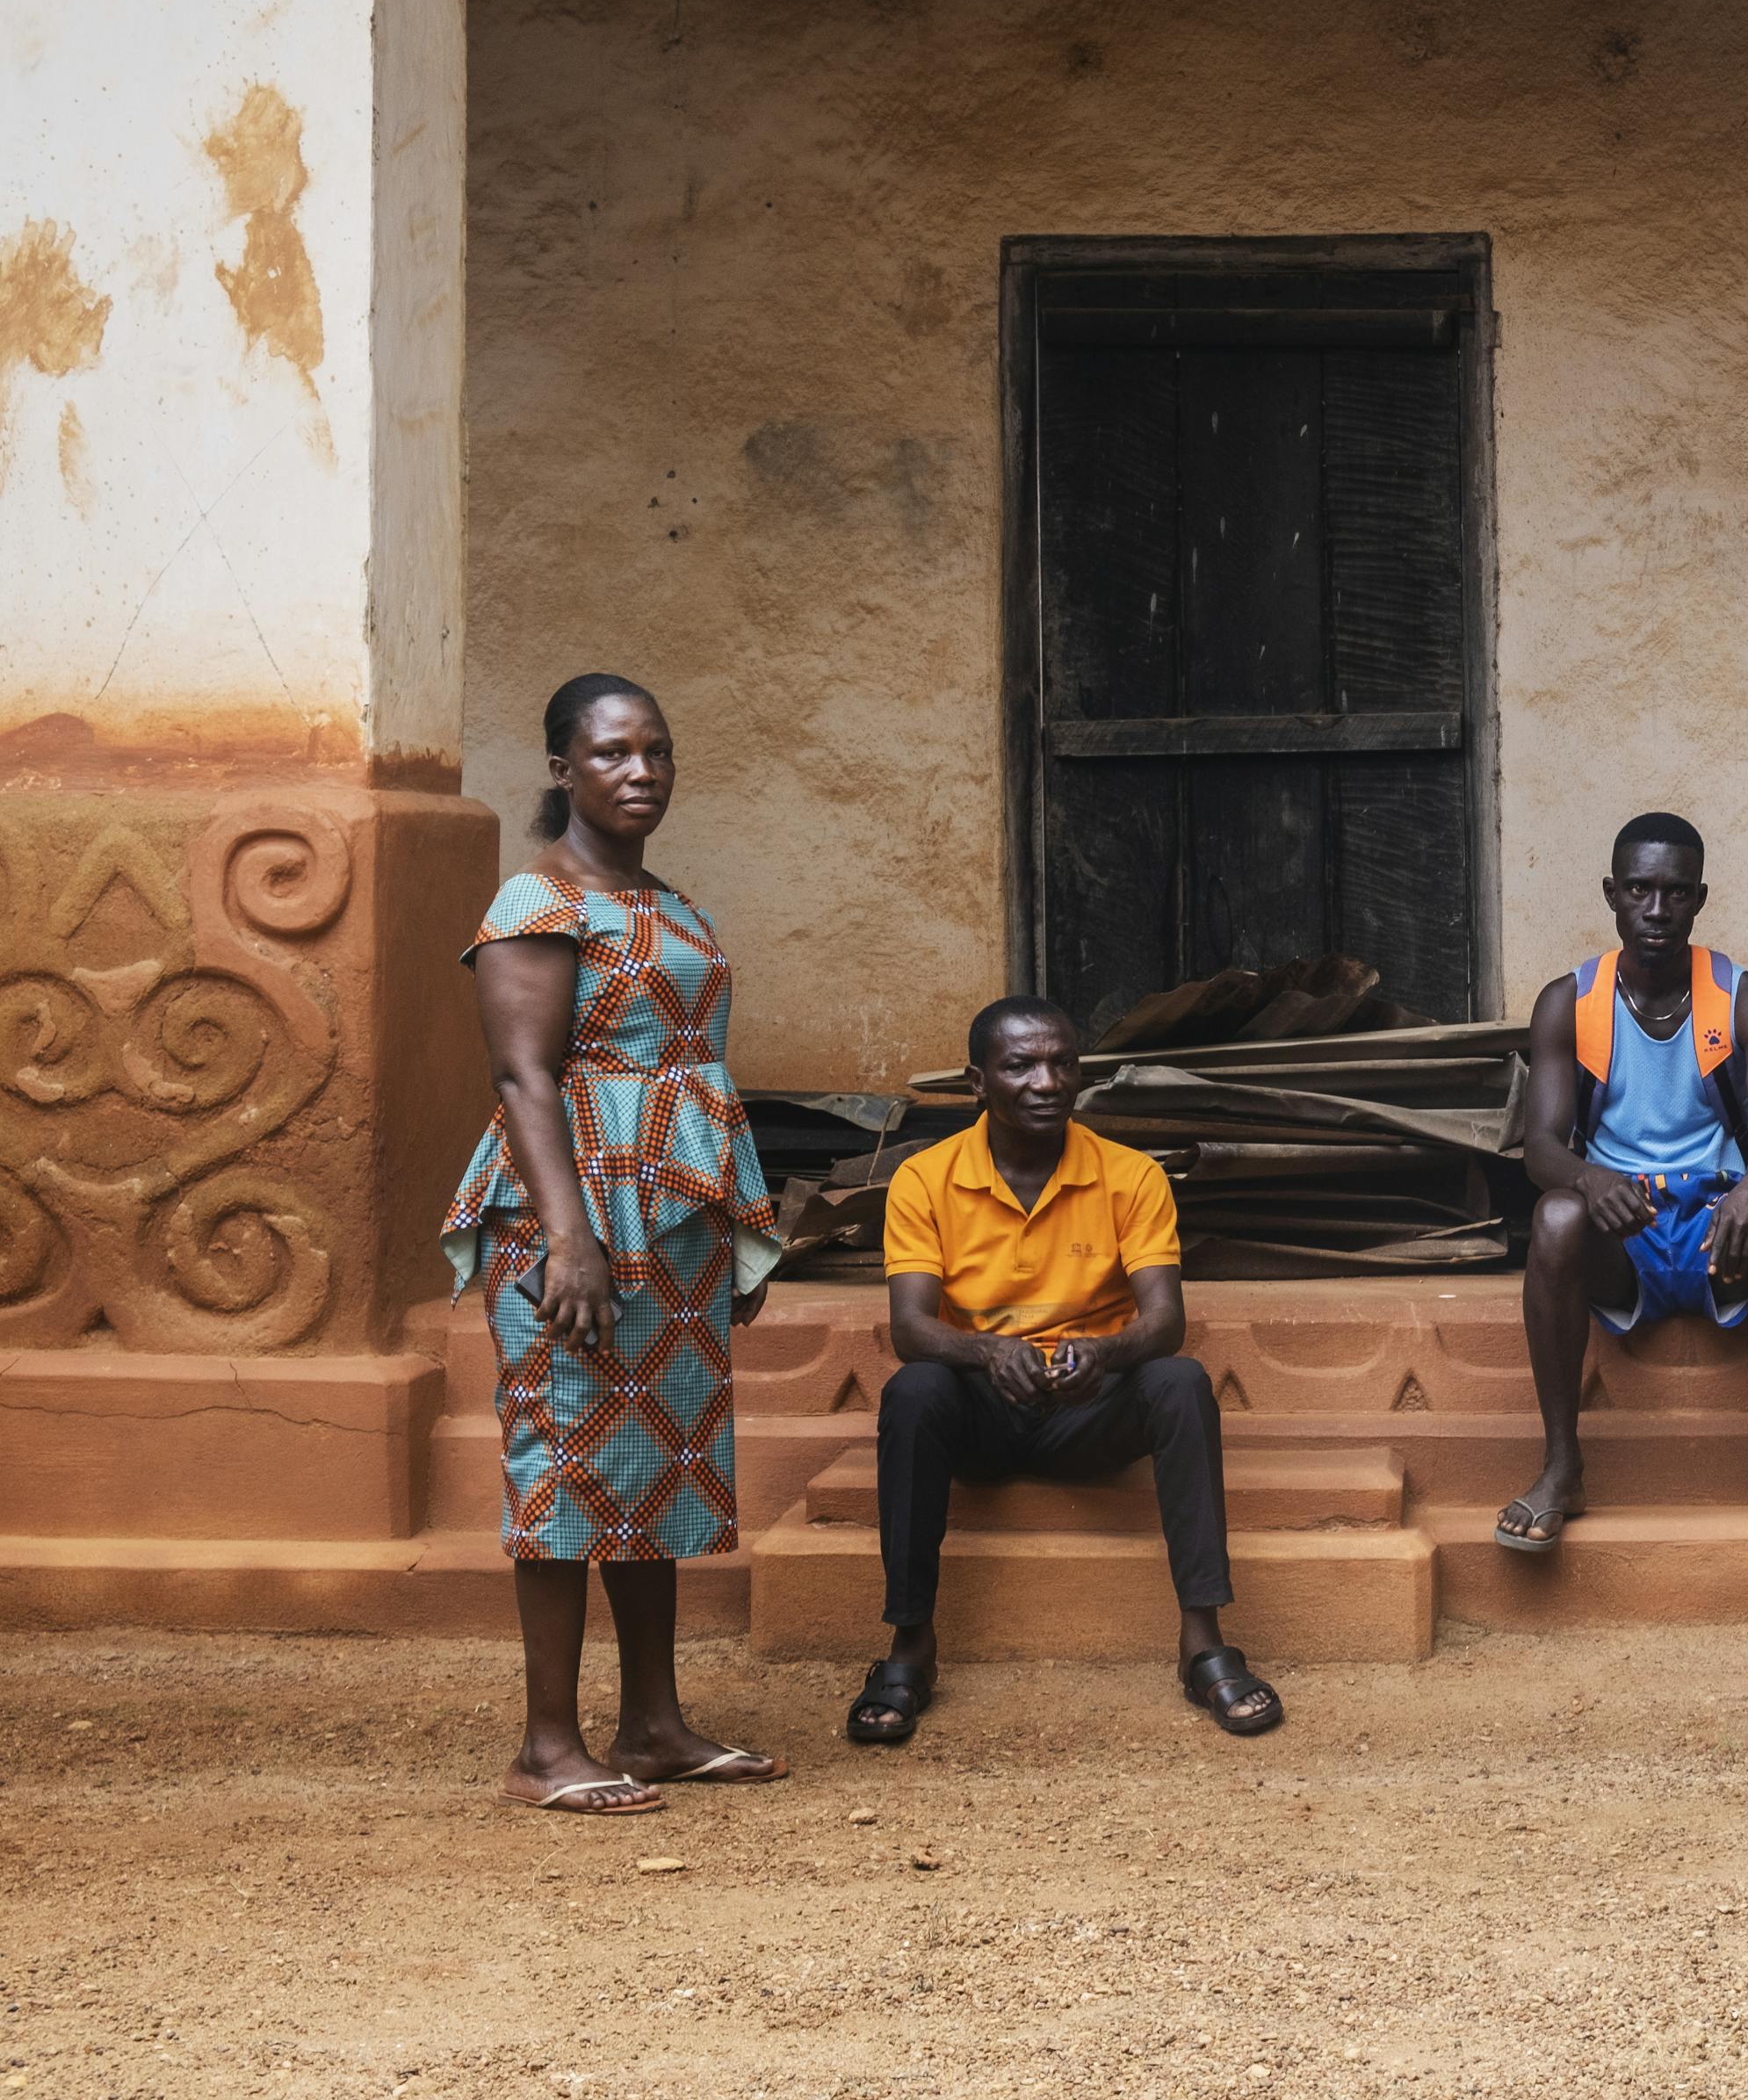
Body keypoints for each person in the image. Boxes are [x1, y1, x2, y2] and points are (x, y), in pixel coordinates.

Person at [444, 674, 785, 1815]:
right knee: (567, 1463)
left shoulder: (669, 902)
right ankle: (548, 1745)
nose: (641, 771)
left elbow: (693, 1076)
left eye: (658, 750)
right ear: (562, 771)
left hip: (671, 1227)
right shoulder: (537, 903)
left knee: (653, 1469)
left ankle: (653, 1723)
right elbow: (525, 1074)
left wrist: (729, 1226)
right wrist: (568, 1235)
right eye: (612, 753)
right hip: (575, 1214)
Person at [845, 998, 1280, 1743]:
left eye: (1062, 1062)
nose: (1047, 1081)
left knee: (1179, 1380)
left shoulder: (1130, 1176)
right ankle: (911, 1644)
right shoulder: (926, 1179)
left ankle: (1203, 1641)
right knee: (912, 1390)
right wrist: (987, 1350)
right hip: (983, 1411)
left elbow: (1164, 1319)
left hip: (1090, 1406)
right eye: (1021, 1066)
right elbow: (911, 1328)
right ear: (979, 1082)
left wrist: (1105, 1350)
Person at [1493, 812, 1748, 1561]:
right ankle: (1563, 1466)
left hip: (1722, 1226)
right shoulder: (1571, 1000)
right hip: (1623, 1228)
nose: (1657, 910)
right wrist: (1591, 1180)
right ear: (1612, 893)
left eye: (1676, 892)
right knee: (1556, 1217)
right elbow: (1541, 1149)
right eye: (1641, 889)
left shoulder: (1742, 997)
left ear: (1700, 897)